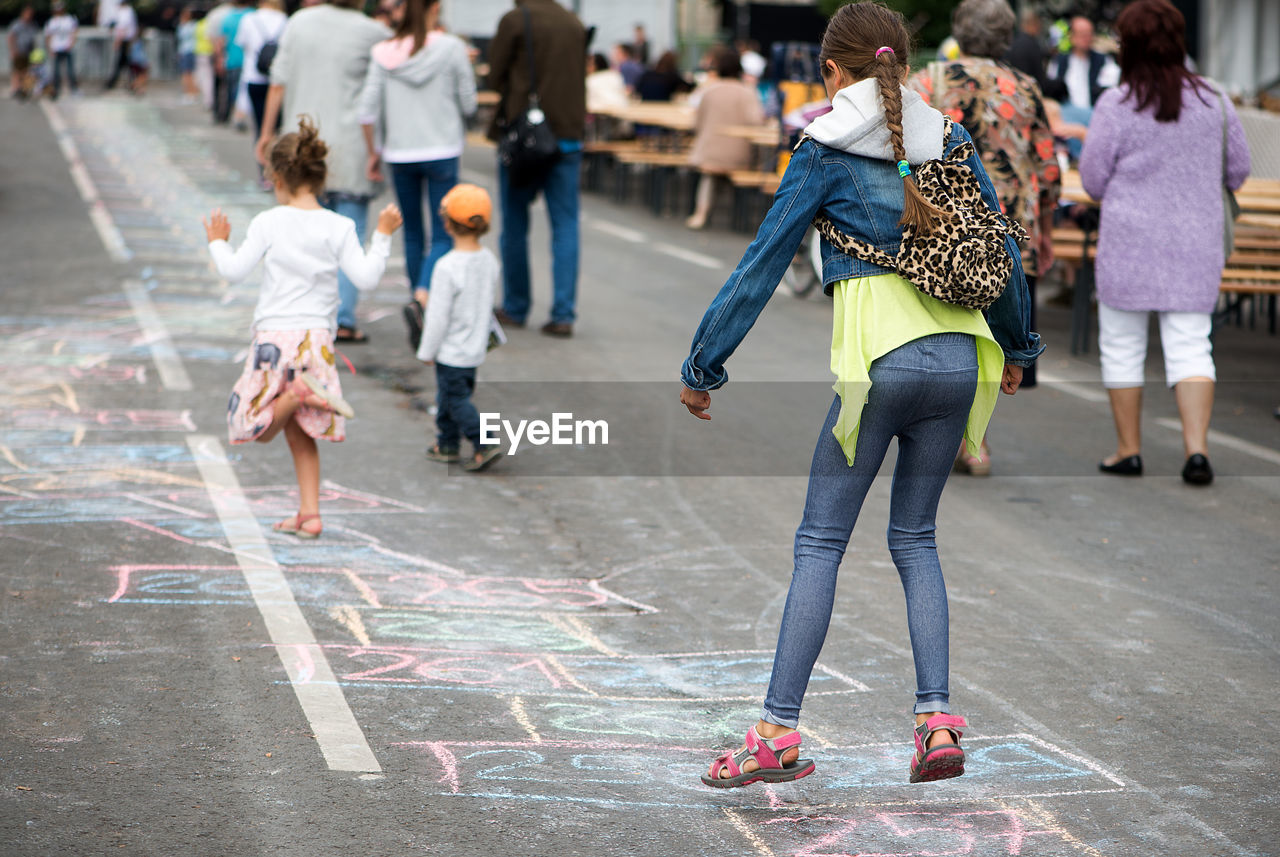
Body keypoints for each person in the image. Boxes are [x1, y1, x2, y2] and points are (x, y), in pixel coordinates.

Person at [679, 1, 1040, 789]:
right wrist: (1018, 346)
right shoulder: (948, 137)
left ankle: (775, 732)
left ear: (831, 72)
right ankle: (935, 722)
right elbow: (1000, 246)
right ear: (904, 66)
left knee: (819, 542)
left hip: (879, 367)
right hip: (960, 359)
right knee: (916, 538)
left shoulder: (822, 149)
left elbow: (762, 265)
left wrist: (704, 364)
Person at [205, 119, 403, 539]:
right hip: (316, 342)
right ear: (321, 176)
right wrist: (382, 236)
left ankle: (296, 394)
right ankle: (309, 514)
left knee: (254, 426)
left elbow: (234, 271)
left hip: (274, 339)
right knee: (299, 432)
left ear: (276, 178)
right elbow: (365, 278)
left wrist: (218, 241)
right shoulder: (339, 225)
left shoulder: (268, 222)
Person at [1079, 0, 1249, 487]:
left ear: (1128, 46)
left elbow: (1092, 180)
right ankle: (1196, 451)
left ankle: (1128, 451)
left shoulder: (1117, 102)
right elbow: (1237, 170)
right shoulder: (1215, 98)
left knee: (1121, 346)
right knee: (1194, 346)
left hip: (1129, 243)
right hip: (1196, 244)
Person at [908, 0, 1059, 475]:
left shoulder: (927, 80)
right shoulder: (1026, 87)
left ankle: (959, 438)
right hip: (1009, 226)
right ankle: (976, 439)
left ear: (959, 29)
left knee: (948, 325)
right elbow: (1047, 165)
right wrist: (1047, 228)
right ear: (1006, 37)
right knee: (994, 333)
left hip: (943, 224)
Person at [256, 0, 391, 344]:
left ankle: (304, 311)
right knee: (350, 230)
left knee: (302, 230)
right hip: (350, 146)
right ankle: (342, 318)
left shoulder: (299, 22)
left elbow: (278, 81)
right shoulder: (373, 32)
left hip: (302, 142)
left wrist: (267, 133)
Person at [357, 0, 477, 346]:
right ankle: (424, 299)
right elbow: (469, 102)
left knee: (411, 234)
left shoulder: (382, 52)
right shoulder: (452, 48)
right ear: (434, 9)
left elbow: (367, 110)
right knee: (444, 233)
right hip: (443, 149)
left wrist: (373, 151)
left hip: (399, 151)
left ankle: (417, 299)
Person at [486, 0, 587, 338]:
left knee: (514, 223)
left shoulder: (515, 20)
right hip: (568, 137)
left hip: (525, 140)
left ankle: (515, 307)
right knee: (566, 225)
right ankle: (563, 314)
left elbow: (495, 74)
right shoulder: (573, 23)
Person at [416, 184, 503, 472]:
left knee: (455, 401)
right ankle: (447, 443)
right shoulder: (489, 261)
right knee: (450, 397)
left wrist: (426, 350)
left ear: (446, 223)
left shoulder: (446, 267)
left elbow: (438, 317)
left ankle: (484, 441)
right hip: (475, 346)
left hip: (451, 350)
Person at [685, 46, 765, 230]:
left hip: (708, 153)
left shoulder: (708, 91)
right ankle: (740, 215)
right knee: (735, 169)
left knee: (709, 176)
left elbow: (695, 124)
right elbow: (756, 122)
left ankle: (701, 213)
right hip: (739, 155)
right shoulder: (747, 93)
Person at [235, 0, 288, 183]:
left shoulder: (249, 19)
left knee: (261, 128)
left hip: (254, 77)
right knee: (278, 129)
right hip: (278, 78)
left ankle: (264, 173)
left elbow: (242, 44)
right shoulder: (284, 19)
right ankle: (280, 173)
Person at [1045, 17, 1118, 119]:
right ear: (1072, 36)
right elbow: (1052, 88)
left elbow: (1110, 89)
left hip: (1095, 116)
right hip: (1066, 118)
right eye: (1082, 34)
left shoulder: (1104, 60)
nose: (1086, 38)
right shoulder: (1059, 61)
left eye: (1089, 34)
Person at [219, 0, 253, 125]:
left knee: (232, 90)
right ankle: (240, 116)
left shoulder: (228, 17)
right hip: (249, 61)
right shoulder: (252, 14)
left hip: (232, 59)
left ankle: (235, 114)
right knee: (243, 91)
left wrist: (220, 58)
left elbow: (221, 40)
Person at [1003, 8, 1048, 94]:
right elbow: (1040, 81)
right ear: (1035, 24)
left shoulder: (1012, 43)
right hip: (1027, 92)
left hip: (1011, 91)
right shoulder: (1032, 45)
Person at [44, 1, 79, 100]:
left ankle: (73, 89)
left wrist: (71, 44)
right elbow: (48, 36)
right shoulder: (51, 21)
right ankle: (56, 90)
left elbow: (74, 32)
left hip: (67, 48)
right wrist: (50, 49)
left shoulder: (69, 19)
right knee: (56, 72)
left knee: (70, 70)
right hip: (56, 48)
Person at [103, 0, 139, 91]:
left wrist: (117, 41)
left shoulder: (125, 12)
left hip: (125, 41)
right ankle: (131, 82)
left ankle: (114, 83)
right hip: (128, 40)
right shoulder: (129, 11)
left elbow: (123, 28)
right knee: (124, 63)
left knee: (124, 63)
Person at [8, 6, 39, 99]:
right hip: (18, 50)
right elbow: (11, 37)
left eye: (31, 14)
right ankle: (15, 89)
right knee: (17, 71)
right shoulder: (17, 24)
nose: (29, 16)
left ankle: (24, 89)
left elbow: (33, 39)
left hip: (28, 52)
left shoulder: (33, 25)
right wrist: (13, 50)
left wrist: (34, 52)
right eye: (28, 14)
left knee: (27, 72)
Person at [176, 7, 198, 103]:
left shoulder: (188, 26)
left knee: (187, 74)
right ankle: (190, 92)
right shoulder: (191, 25)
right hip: (187, 51)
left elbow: (182, 37)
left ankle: (190, 93)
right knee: (187, 74)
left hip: (188, 51)